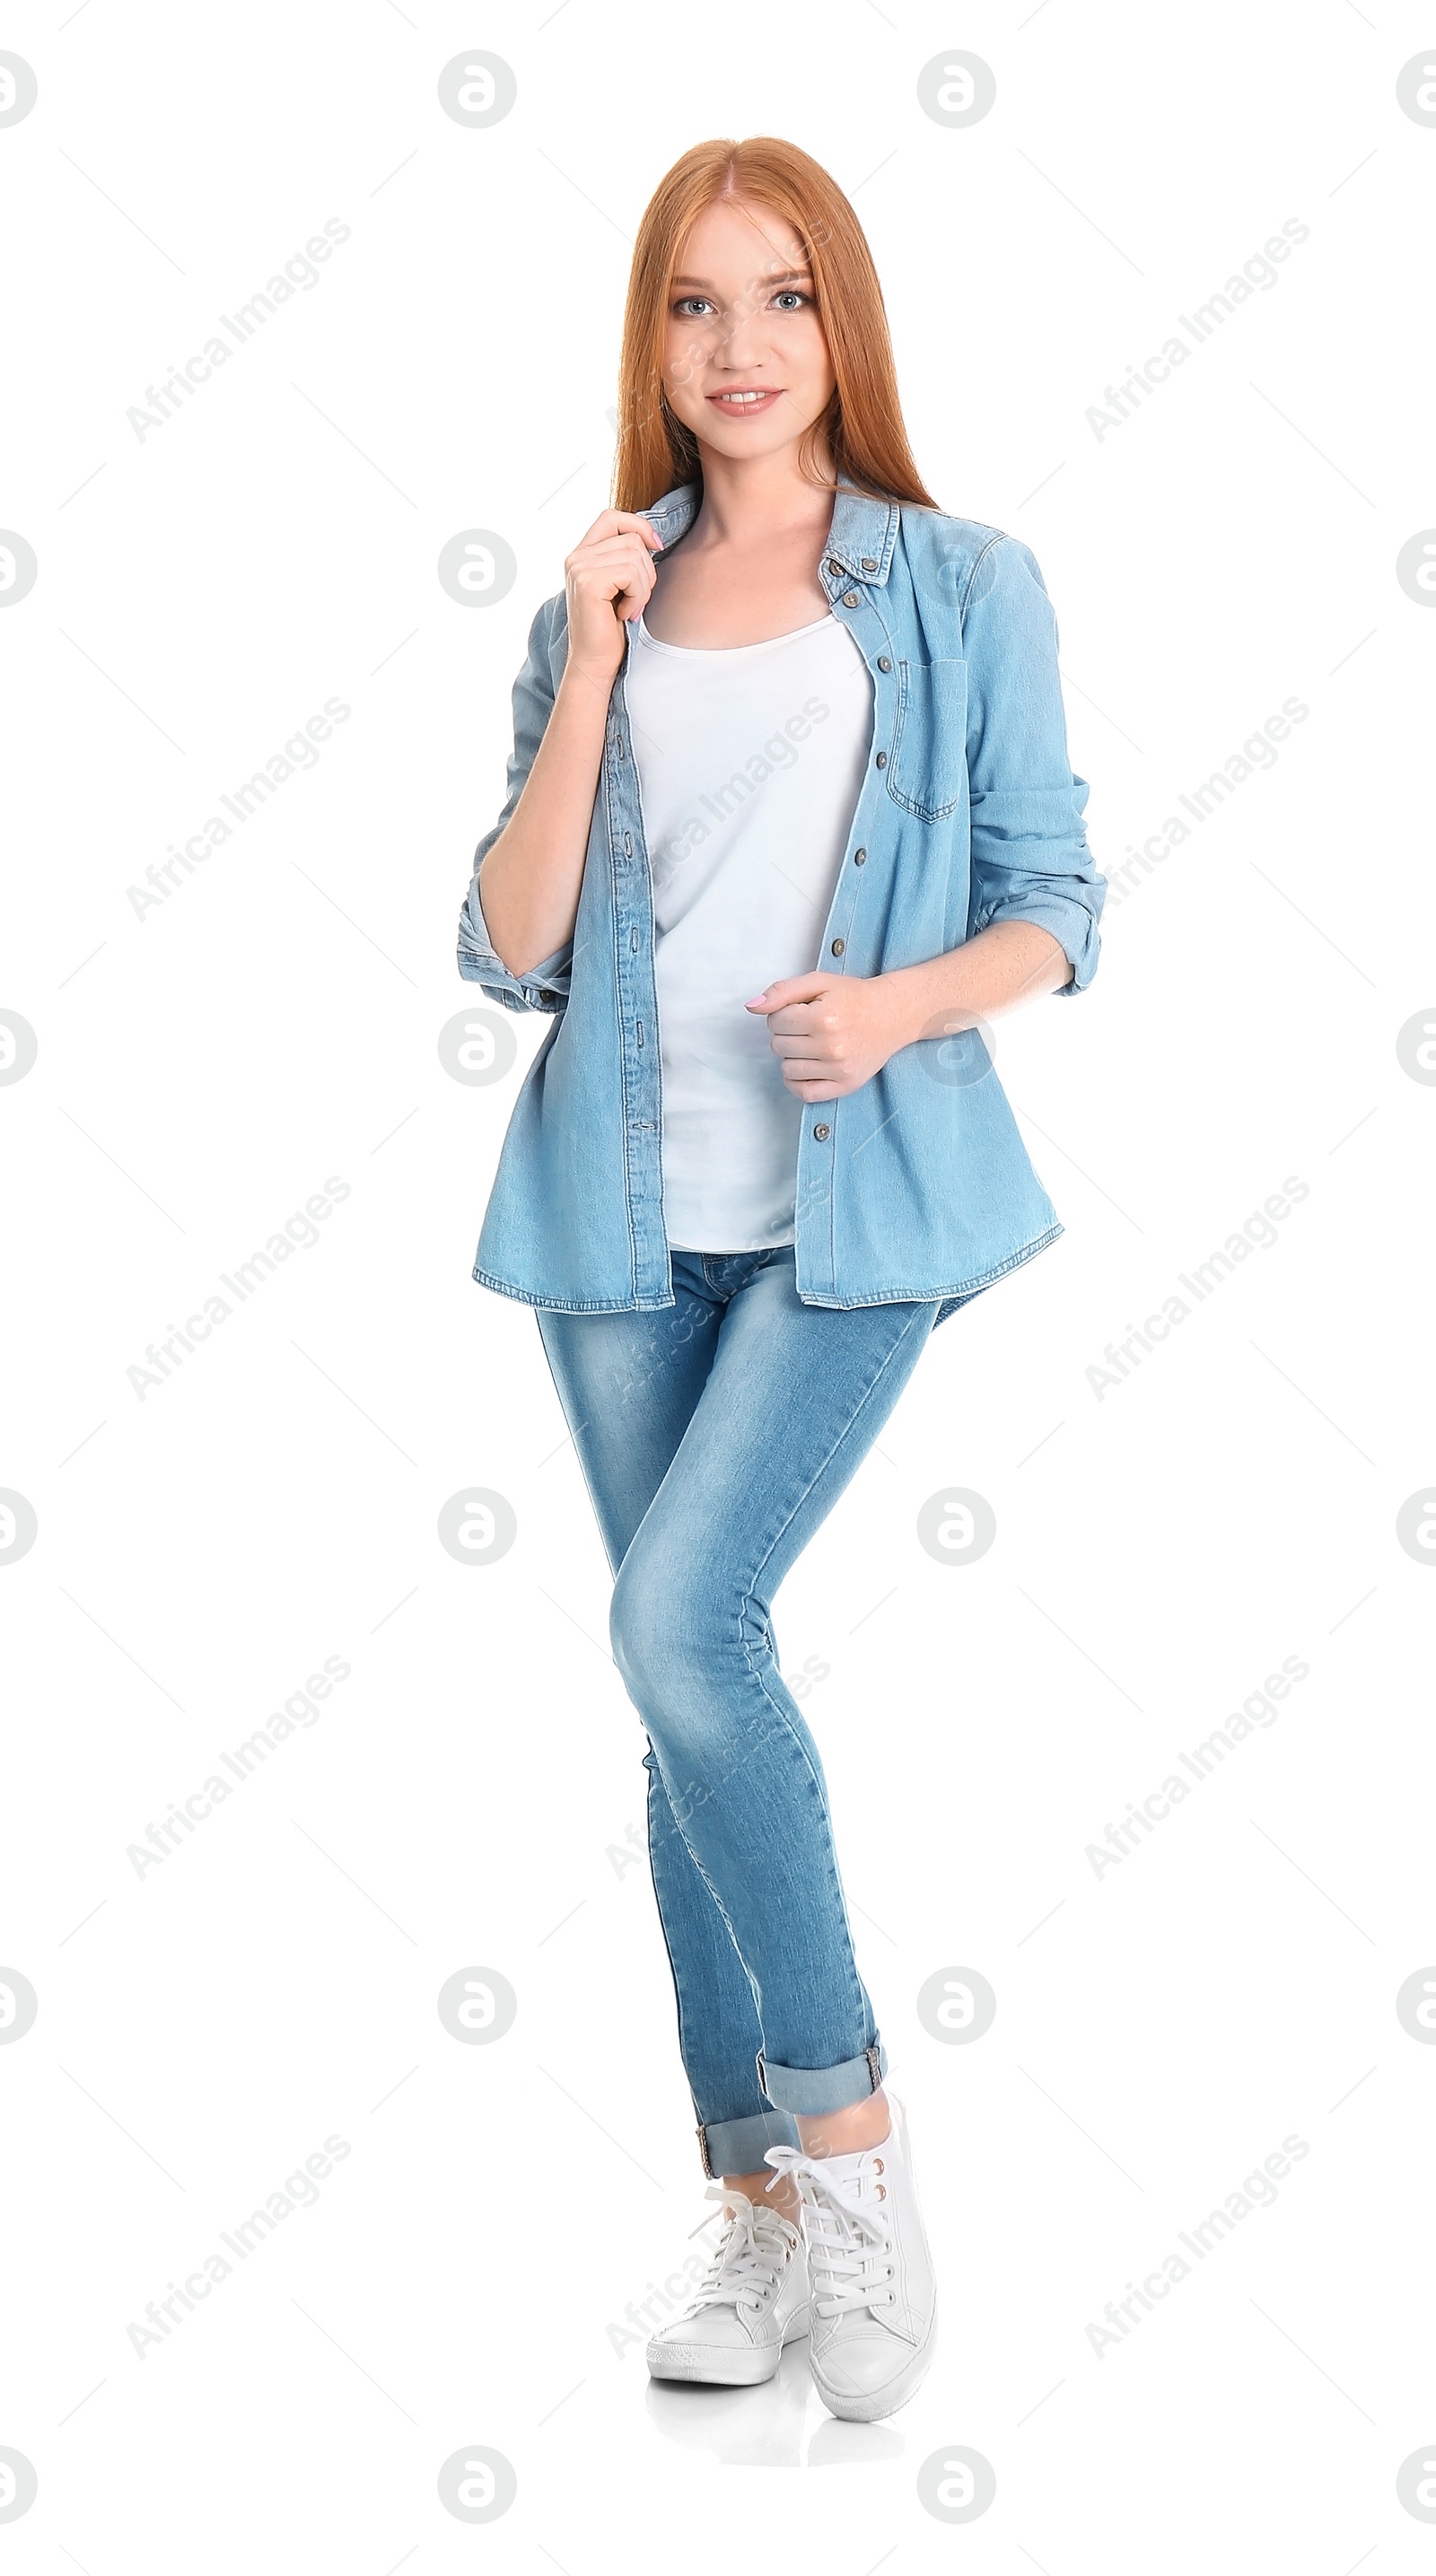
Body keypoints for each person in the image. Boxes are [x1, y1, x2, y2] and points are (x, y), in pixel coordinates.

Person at [457, 135, 1106, 2423]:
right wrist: (591, 656)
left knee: (675, 1626)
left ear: (843, 325)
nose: (737, 348)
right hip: (616, 1229)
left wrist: (904, 1005)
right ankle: (748, 2210)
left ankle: (847, 2151)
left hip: (854, 1218)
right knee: (681, 1701)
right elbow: (506, 944)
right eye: (693, 306)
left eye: (781, 299)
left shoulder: (958, 583)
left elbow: (1057, 902)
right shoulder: (588, 610)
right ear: (650, 342)